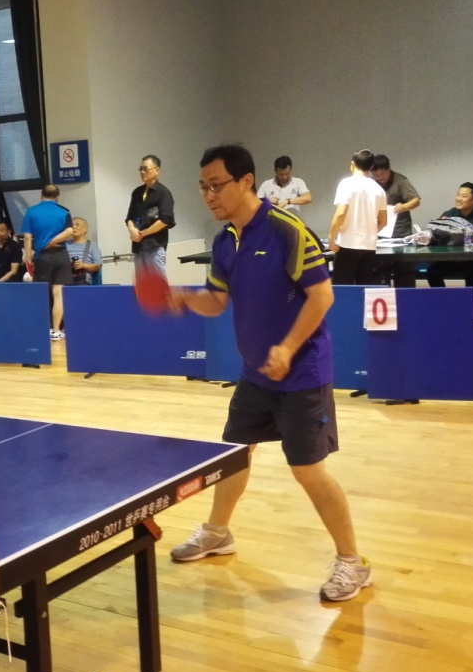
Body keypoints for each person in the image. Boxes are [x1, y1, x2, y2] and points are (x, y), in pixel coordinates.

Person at [167, 143, 371, 602]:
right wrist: (185, 298)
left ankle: (352, 562)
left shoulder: (286, 230)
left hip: (302, 374)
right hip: (256, 373)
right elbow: (217, 301)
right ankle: (218, 532)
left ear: (245, 182)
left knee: (308, 471)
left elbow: (323, 296)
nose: (209, 195)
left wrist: (288, 348)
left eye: (216, 185)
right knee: (234, 454)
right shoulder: (225, 241)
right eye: (202, 188)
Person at [21, 184, 74, 340]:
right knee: (59, 293)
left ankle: (43, 329)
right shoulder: (64, 211)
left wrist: (29, 257)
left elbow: (27, 237)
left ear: (41, 195)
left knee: (42, 293)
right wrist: (52, 242)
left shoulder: (31, 212)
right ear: (57, 197)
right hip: (61, 255)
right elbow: (70, 232)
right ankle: (56, 331)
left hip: (42, 256)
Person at [328, 149, 387, 285]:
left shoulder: (346, 184)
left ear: (352, 164)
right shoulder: (379, 189)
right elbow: (383, 221)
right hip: (369, 247)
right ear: (371, 167)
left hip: (347, 245)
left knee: (343, 288)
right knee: (365, 289)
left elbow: (341, 213)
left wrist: (332, 238)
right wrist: (369, 232)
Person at [424, 183, 473, 288]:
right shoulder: (449, 213)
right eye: (458, 195)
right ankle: (443, 297)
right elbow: (438, 231)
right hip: (452, 258)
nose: (459, 199)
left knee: (471, 272)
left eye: (464, 196)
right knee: (433, 272)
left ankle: (471, 298)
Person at [369, 154, 423, 287]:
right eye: (376, 175)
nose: (380, 178)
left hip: (401, 234)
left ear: (389, 169)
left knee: (404, 272)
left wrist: (404, 206)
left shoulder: (400, 181)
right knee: (380, 272)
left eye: (383, 174)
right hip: (380, 234)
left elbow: (416, 200)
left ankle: (405, 296)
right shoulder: (371, 184)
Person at [126, 154, 175, 277]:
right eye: (140, 169)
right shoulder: (137, 192)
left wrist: (143, 233)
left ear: (157, 170)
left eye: (146, 169)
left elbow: (165, 220)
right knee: (142, 285)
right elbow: (129, 217)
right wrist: (132, 230)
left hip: (155, 246)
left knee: (158, 284)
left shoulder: (163, 193)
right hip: (138, 247)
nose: (142, 172)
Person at [66, 217, 103, 285]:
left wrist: (83, 265)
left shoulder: (92, 245)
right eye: (72, 225)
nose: (74, 227)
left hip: (83, 278)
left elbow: (98, 266)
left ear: (85, 229)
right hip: (66, 276)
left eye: (77, 224)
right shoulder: (65, 244)